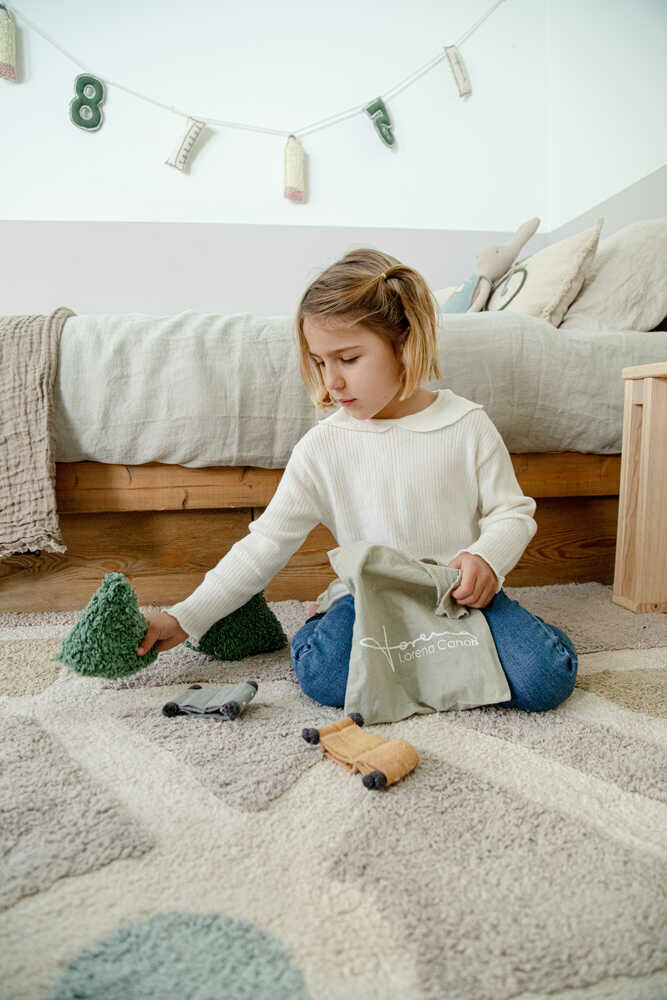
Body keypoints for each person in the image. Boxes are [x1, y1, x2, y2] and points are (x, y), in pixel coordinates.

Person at [137, 248, 578, 713]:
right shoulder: (322, 447)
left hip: (456, 595)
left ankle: (502, 643)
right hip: (367, 596)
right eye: (320, 363)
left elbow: (511, 513)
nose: (332, 382)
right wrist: (183, 618)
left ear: (405, 342)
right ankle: (327, 615)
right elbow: (263, 544)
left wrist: (486, 558)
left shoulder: (467, 425)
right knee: (326, 677)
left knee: (544, 679)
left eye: (347, 359)